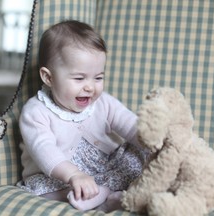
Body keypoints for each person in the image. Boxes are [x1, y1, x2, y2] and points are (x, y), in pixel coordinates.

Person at [18, 20, 148, 212]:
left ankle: (109, 194)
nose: (90, 87)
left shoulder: (103, 102)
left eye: (98, 78)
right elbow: (44, 149)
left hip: (107, 166)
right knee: (40, 190)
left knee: (139, 157)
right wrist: (74, 175)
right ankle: (96, 196)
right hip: (60, 175)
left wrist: (152, 141)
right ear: (49, 77)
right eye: (79, 78)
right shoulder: (36, 112)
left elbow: (130, 125)